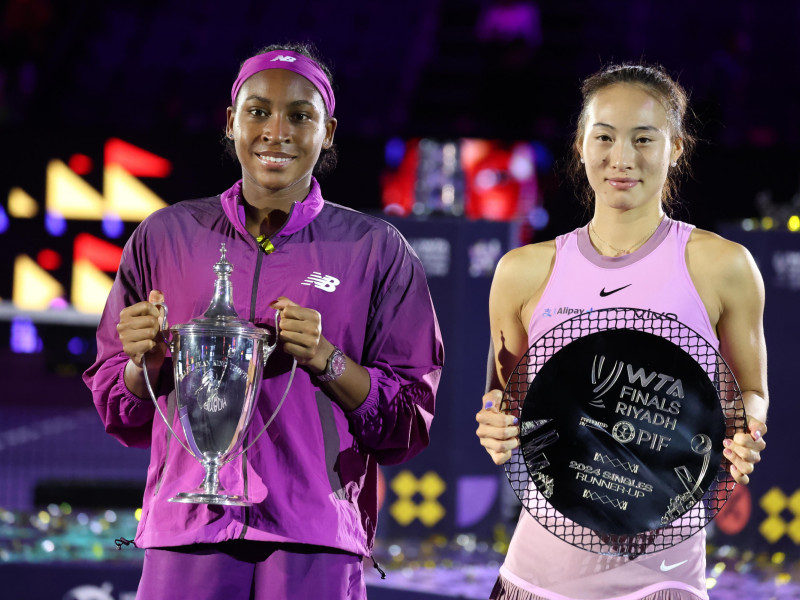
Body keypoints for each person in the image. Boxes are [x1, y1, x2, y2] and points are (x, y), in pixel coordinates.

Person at [83, 42, 444, 600]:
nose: (277, 130)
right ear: (231, 122)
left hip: (316, 536)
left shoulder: (377, 250)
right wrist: (142, 363)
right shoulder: (165, 236)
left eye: (301, 115)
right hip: (188, 529)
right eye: (258, 111)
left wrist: (328, 360)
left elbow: (407, 421)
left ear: (327, 132)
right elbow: (120, 408)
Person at [475, 62, 768, 600]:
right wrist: (495, 425)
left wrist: (747, 427)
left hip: (664, 575)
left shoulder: (723, 266)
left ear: (676, 147)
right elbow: (504, 394)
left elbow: (751, 391)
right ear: (581, 144)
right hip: (538, 573)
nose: (622, 159)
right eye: (604, 137)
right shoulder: (523, 270)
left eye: (643, 139)